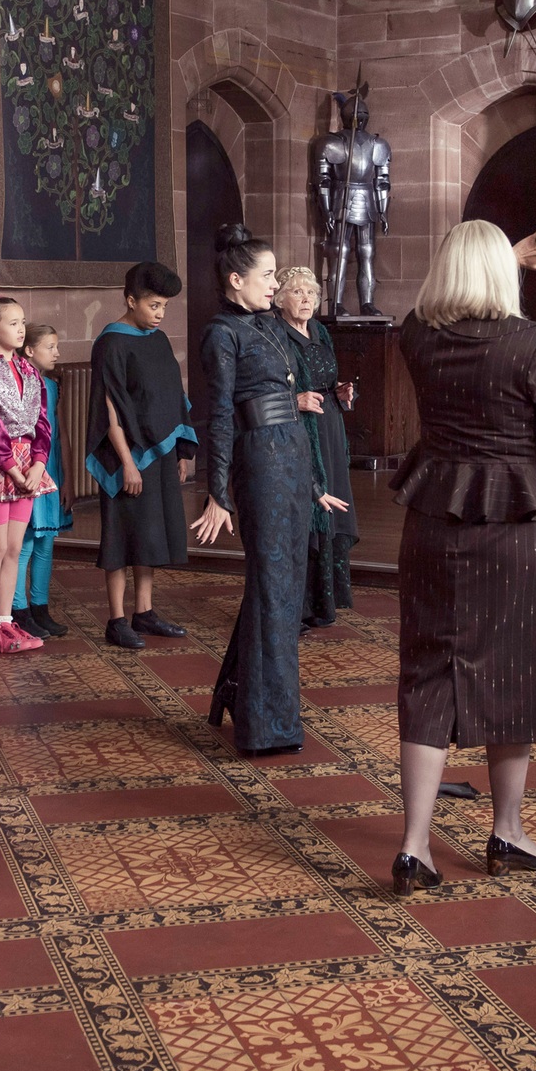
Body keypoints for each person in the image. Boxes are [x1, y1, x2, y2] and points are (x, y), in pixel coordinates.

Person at [387, 220, 536, 895]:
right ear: (500, 275)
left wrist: (493, 256)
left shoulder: (418, 336)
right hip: (515, 529)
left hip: (432, 520)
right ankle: (506, 834)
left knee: (427, 673)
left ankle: (415, 847)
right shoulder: (530, 344)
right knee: (516, 667)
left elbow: (423, 307)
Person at [194, 225, 351, 756]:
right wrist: (218, 492)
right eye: (267, 275)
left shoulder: (271, 326)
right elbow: (217, 416)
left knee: (282, 585)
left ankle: (234, 693)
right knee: (272, 587)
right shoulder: (222, 333)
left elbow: (294, 407)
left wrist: (312, 485)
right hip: (257, 464)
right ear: (236, 280)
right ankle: (267, 726)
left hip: (291, 459)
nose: (275, 282)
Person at [86, 262, 196, 650]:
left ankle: (144, 612)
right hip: (127, 459)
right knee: (120, 538)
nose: (160, 313)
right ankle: (116, 620)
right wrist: (128, 462)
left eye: (164, 306)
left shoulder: (159, 339)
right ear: (131, 300)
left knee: (150, 536)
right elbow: (109, 408)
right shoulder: (111, 343)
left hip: (160, 455)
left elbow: (171, 395)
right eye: (153, 305)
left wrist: (182, 449)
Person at [273, 266, 358, 631]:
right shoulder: (276, 335)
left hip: (329, 428)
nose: (306, 299)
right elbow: (264, 392)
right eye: (297, 292)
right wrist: (296, 400)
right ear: (279, 299)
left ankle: (324, 601)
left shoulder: (321, 331)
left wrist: (341, 392)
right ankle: (299, 607)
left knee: (332, 511)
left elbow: (326, 379)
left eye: (310, 293)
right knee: (306, 516)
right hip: (298, 432)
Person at [0, 296, 53, 653]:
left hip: (27, 465)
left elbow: (42, 421)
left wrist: (38, 463)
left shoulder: (29, 369)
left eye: (23, 322)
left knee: (15, 547)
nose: (21, 329)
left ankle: (7, 621)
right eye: (13, 323)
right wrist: (11, 468)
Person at [12, 323, 73, 638]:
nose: (57, 353)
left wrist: (68, 481)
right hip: (29, 472)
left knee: (46, 543)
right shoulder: (21, 382)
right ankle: (17, 609)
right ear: (29, 350)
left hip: (52, 473)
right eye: (50, 346)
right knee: (25, 543)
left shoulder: (52, 385)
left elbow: (59, 434)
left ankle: (40, 607)